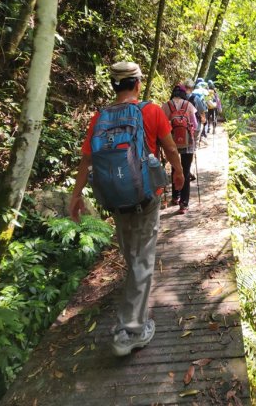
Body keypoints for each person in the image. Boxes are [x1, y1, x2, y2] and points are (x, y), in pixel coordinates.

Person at [68, 61, 184, 357]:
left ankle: (132, 312)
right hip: (146, 197)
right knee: (143, 259)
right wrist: (179, 173)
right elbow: (170, 148)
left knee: (132, 257)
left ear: (114, 86)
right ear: (137, 84)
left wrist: (76, 195)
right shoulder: (151, 111)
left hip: (115, 199)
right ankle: (129, 331)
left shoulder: (100, 118)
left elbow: (86, 160)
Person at [162, 84, 198, 214]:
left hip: (171, 144)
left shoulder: (166, 106)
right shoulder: (189, 105)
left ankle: (175, 196)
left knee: (175, 168)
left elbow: (162, 126)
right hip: (187, 143)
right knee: (186, 171)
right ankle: (184, 203)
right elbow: (195, 124)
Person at [184, 78, 207, 143]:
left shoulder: (180, 98)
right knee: (194, 143)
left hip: (182, 124)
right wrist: (204, 120)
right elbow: (202, 111)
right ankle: (193, 151)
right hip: (194, 125)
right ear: (192, 88)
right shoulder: (196, 98)